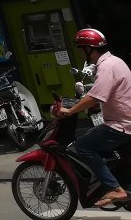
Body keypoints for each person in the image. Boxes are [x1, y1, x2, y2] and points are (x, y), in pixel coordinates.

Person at [58, 28, 131, 207]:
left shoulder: (106, 67)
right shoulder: (116, 61)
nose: (80, 52)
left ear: (88, 49)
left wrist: (71, 110)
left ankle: (115, 188)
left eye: (80, 48)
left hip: (120, 124)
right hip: (125, 120)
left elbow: (96, 96)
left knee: (82, 147)